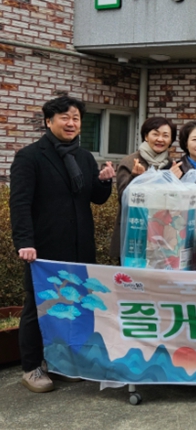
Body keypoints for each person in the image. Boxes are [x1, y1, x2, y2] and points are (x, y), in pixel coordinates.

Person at [10, 96, 116, 393]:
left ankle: (61, 363)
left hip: (80, 246)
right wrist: (25, 242)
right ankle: (32, 367)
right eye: (64, 118)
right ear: (49, 121)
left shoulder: (83, 157)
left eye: (76, 118)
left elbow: (95, 198)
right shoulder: (30, 156)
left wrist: (104, 181)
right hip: (44, 248)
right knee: (39, 306)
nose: (71, 123)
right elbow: (20, 204)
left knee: (74, 304)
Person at [110, 117, 180, 261]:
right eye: (155, 134)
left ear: (171, 140)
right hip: (135, 231)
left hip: (162, 235)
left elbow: (177, 205)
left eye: (165, 135)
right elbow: (123, 198)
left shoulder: (172, 166)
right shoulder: (130, 162)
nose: (160, 139)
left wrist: (174, 181)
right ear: (146, 136)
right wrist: (135, 178)